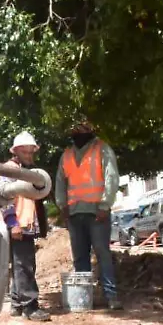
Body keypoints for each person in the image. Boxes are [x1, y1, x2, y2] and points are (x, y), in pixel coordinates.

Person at [55, 119, 121, 310]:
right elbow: (60, 182)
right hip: (74, 214)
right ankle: (84, 298)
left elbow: (111, 177)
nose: (78, 132)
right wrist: (62, 206)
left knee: (102, 253)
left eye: (82, 128)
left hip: (96, 212)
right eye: (75, 128)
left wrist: (105, 205)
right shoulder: (66, 155)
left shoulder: (102, 149)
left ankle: (111, 296)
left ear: (90, 130)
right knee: (80, 257)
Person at [0, 131, 51, 321]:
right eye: (26, 152)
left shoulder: (27, 170)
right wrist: (13, 224)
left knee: (21, 265)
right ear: (17, 151)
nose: (30, 155)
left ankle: (16, 304)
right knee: (25, 266)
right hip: (18, 224)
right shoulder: (10, 170)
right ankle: (30, 307)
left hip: (24, 224)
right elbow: (4, 200)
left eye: (31, 152)